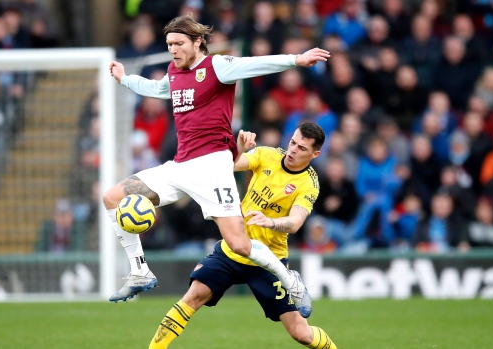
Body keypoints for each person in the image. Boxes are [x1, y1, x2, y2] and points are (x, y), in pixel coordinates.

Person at [105, 15, 330, 307]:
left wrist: (296, 59)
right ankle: (139, 271)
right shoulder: (174, 71)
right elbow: (159, 89)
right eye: (169, 44)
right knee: (112, 198)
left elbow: (253, 64)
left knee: (239, 245)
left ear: (197, 42)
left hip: (213, 167)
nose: (173, 50)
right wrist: (125, 79)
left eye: (179, 43)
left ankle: (291, 282)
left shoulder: (217, 67)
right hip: (180, 166)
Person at [146, 123, 337, 349]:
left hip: (268, 260)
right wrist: (239, 147)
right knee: (193, 297)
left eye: (301, 148)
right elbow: (229, 166)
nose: (293, 150)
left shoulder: (309, 183)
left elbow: (295, 223)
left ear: (315, 154)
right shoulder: (268, 155)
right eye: (293, 142)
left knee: (300, 333)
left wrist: (270, 222)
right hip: (233, 247)